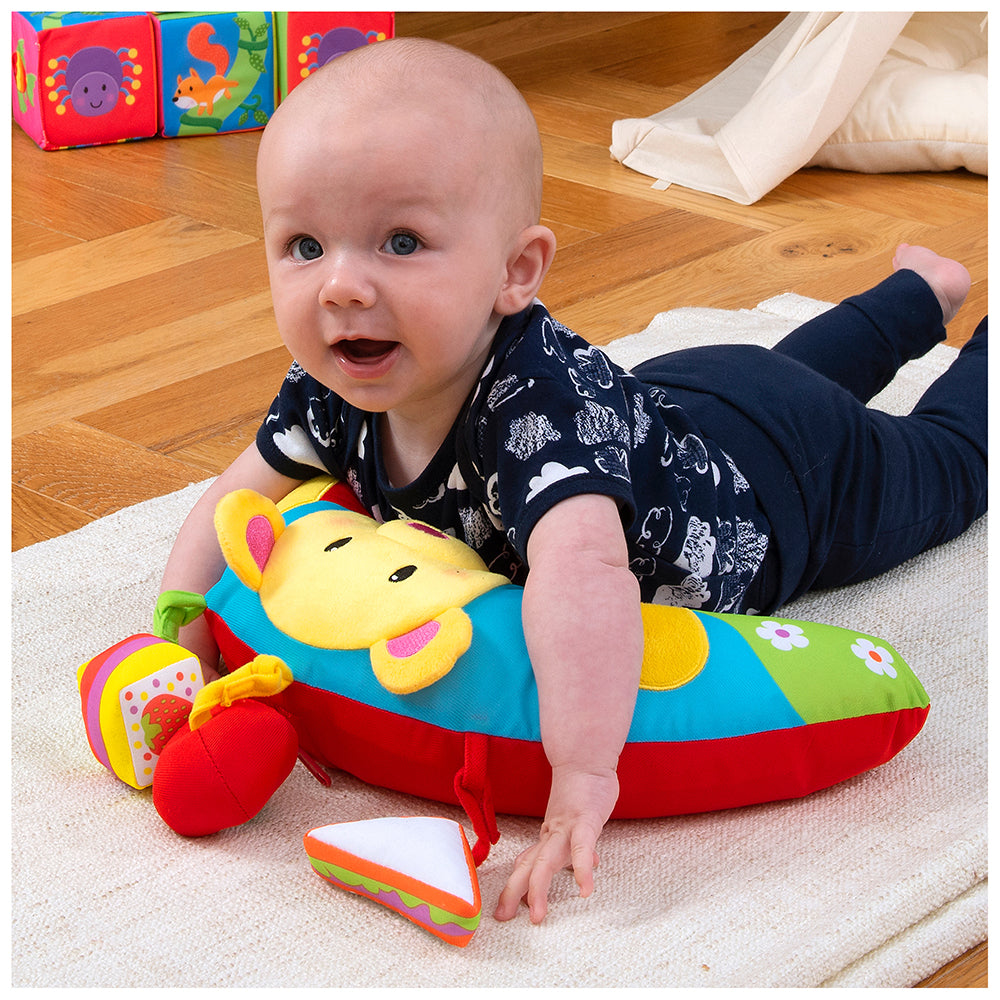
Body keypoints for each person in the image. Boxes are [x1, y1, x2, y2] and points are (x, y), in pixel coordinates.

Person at [160, 36, 987, 924]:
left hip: (783, 490)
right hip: (683, 402)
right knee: (785, 371)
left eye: (401, 242)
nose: (341, 287)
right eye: (304, 245)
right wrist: (178, 636)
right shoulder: (332, 386)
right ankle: (920, 290)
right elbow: (233, 498)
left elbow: (584, 579)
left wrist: (583, 777)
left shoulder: (538, 417)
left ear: (516, 271)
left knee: (949, 462)